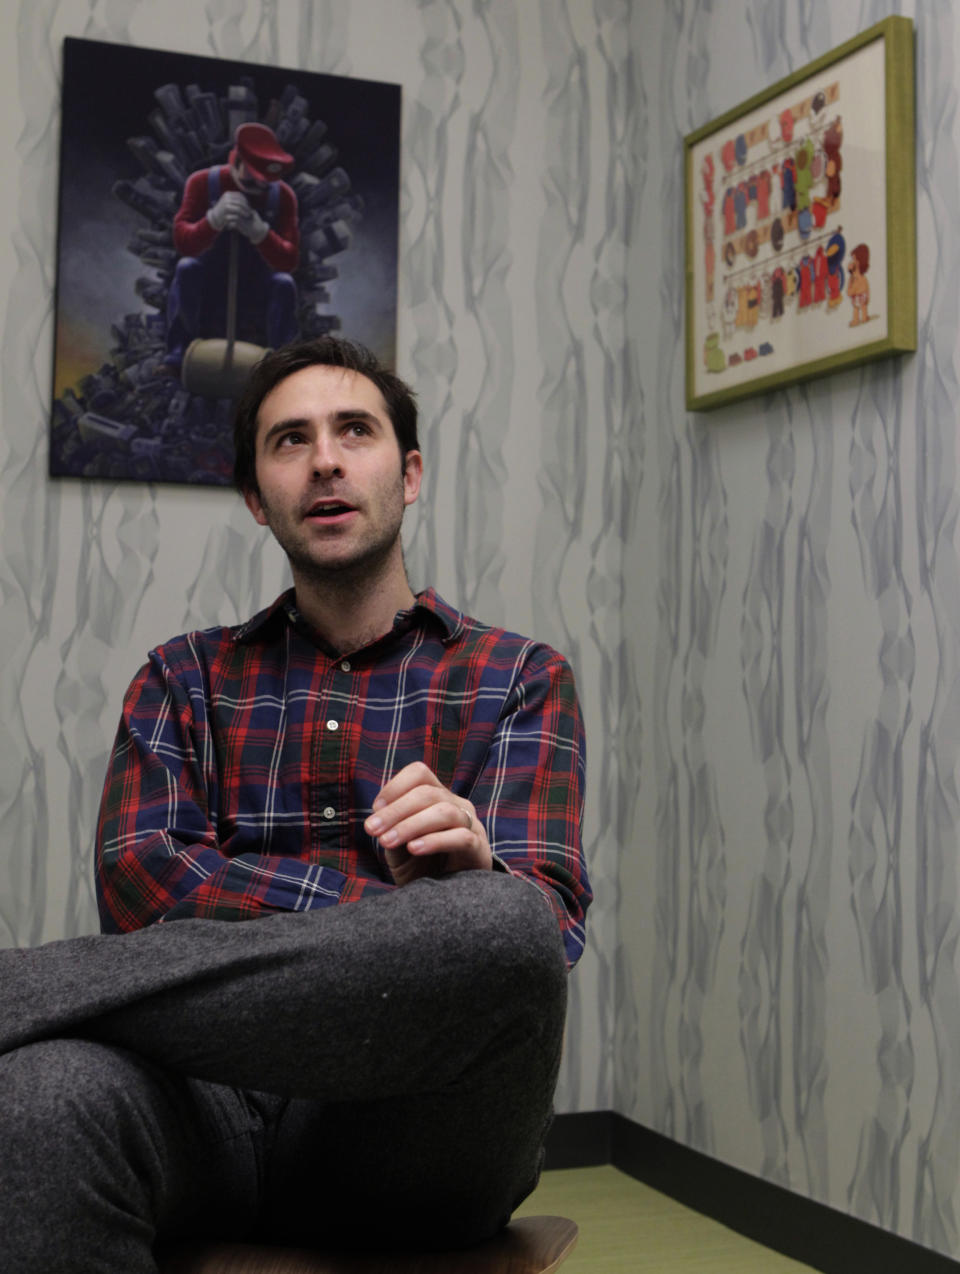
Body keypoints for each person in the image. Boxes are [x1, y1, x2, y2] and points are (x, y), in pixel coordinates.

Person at [0, 336, 591, 1272]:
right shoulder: (180, 678)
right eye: (288, 441)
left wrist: (470, 889)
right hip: (203, 1103)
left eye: (354, 430)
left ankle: (24, 992)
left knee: (504, 923)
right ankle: (32, 1020)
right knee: (36, 1090)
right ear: (255, 496)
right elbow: (142, 894)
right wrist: (403, 925)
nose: (324, 458)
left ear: (410, 472)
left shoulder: (520, 678)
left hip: (419, 1126)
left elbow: (544, 941)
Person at [165, 122, 301, 373]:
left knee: (284, 283)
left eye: (266, 182)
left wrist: (260, 233)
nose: (260, 188)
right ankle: (178, 354)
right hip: (209, 289)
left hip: (256, 290)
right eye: (253, 180)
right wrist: (212, 221)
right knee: (186, 268)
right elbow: (183, 241)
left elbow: (289, 260)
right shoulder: (202, 183)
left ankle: (284, 364)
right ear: (235, 160)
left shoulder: (283, 197)